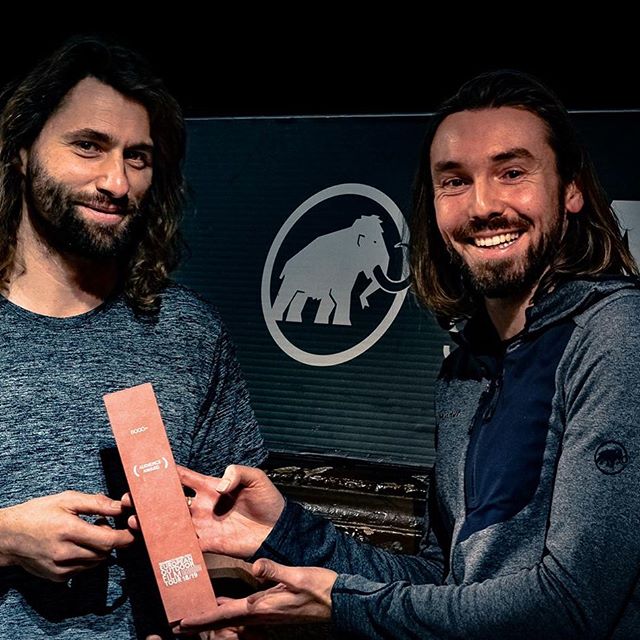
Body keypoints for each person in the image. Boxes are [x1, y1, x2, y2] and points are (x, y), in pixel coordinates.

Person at [168, 70, 640, 639]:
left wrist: (343, 605)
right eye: (455, 181)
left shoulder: (618, 333)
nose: (484, 204)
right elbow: (441, 584)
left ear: (571, 190)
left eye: (512, 173)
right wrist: (283, 532)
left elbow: (569, 607)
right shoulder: (467, 366)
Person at [0, 36, 266, 639]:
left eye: (138, 157)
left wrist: (222, 604)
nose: (116, 182)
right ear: (20, 151)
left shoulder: (187, 333)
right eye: (89, 147)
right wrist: (6, 539)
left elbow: (234, 533)